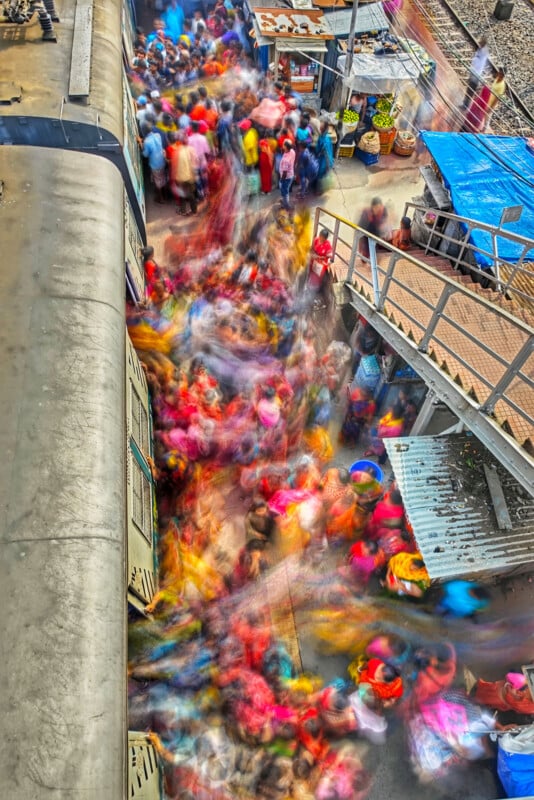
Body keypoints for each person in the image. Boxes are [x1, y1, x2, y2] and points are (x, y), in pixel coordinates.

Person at [141, 122, 167, 203]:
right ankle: (164, 193)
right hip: (162, 160)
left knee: (157, 181)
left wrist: (141, 145)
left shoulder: (147, 142)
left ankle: (161, 198)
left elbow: (145, 154)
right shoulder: (157, 135)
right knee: (162, 177)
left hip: (154, 164)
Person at [461, 37, 489, 111]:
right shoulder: (481, 50)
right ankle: (465, 104)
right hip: (473, 72)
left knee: (470, 91)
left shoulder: (483, 52)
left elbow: (478, 63)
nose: (479, 43)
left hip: (476, 75)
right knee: (469, 90)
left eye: (481, 42)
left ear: (483, 43)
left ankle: (465, 105)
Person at [279, 139, 295, 211]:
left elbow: (284, 173)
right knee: (286, 190)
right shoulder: (292, 151)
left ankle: (287, 206)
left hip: (286, 177)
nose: (282, 145)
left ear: (286, 147)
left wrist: (281, 181)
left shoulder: (286, 160)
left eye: (283, 145)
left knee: (285, 192)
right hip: (291, 174)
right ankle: (284, 202)